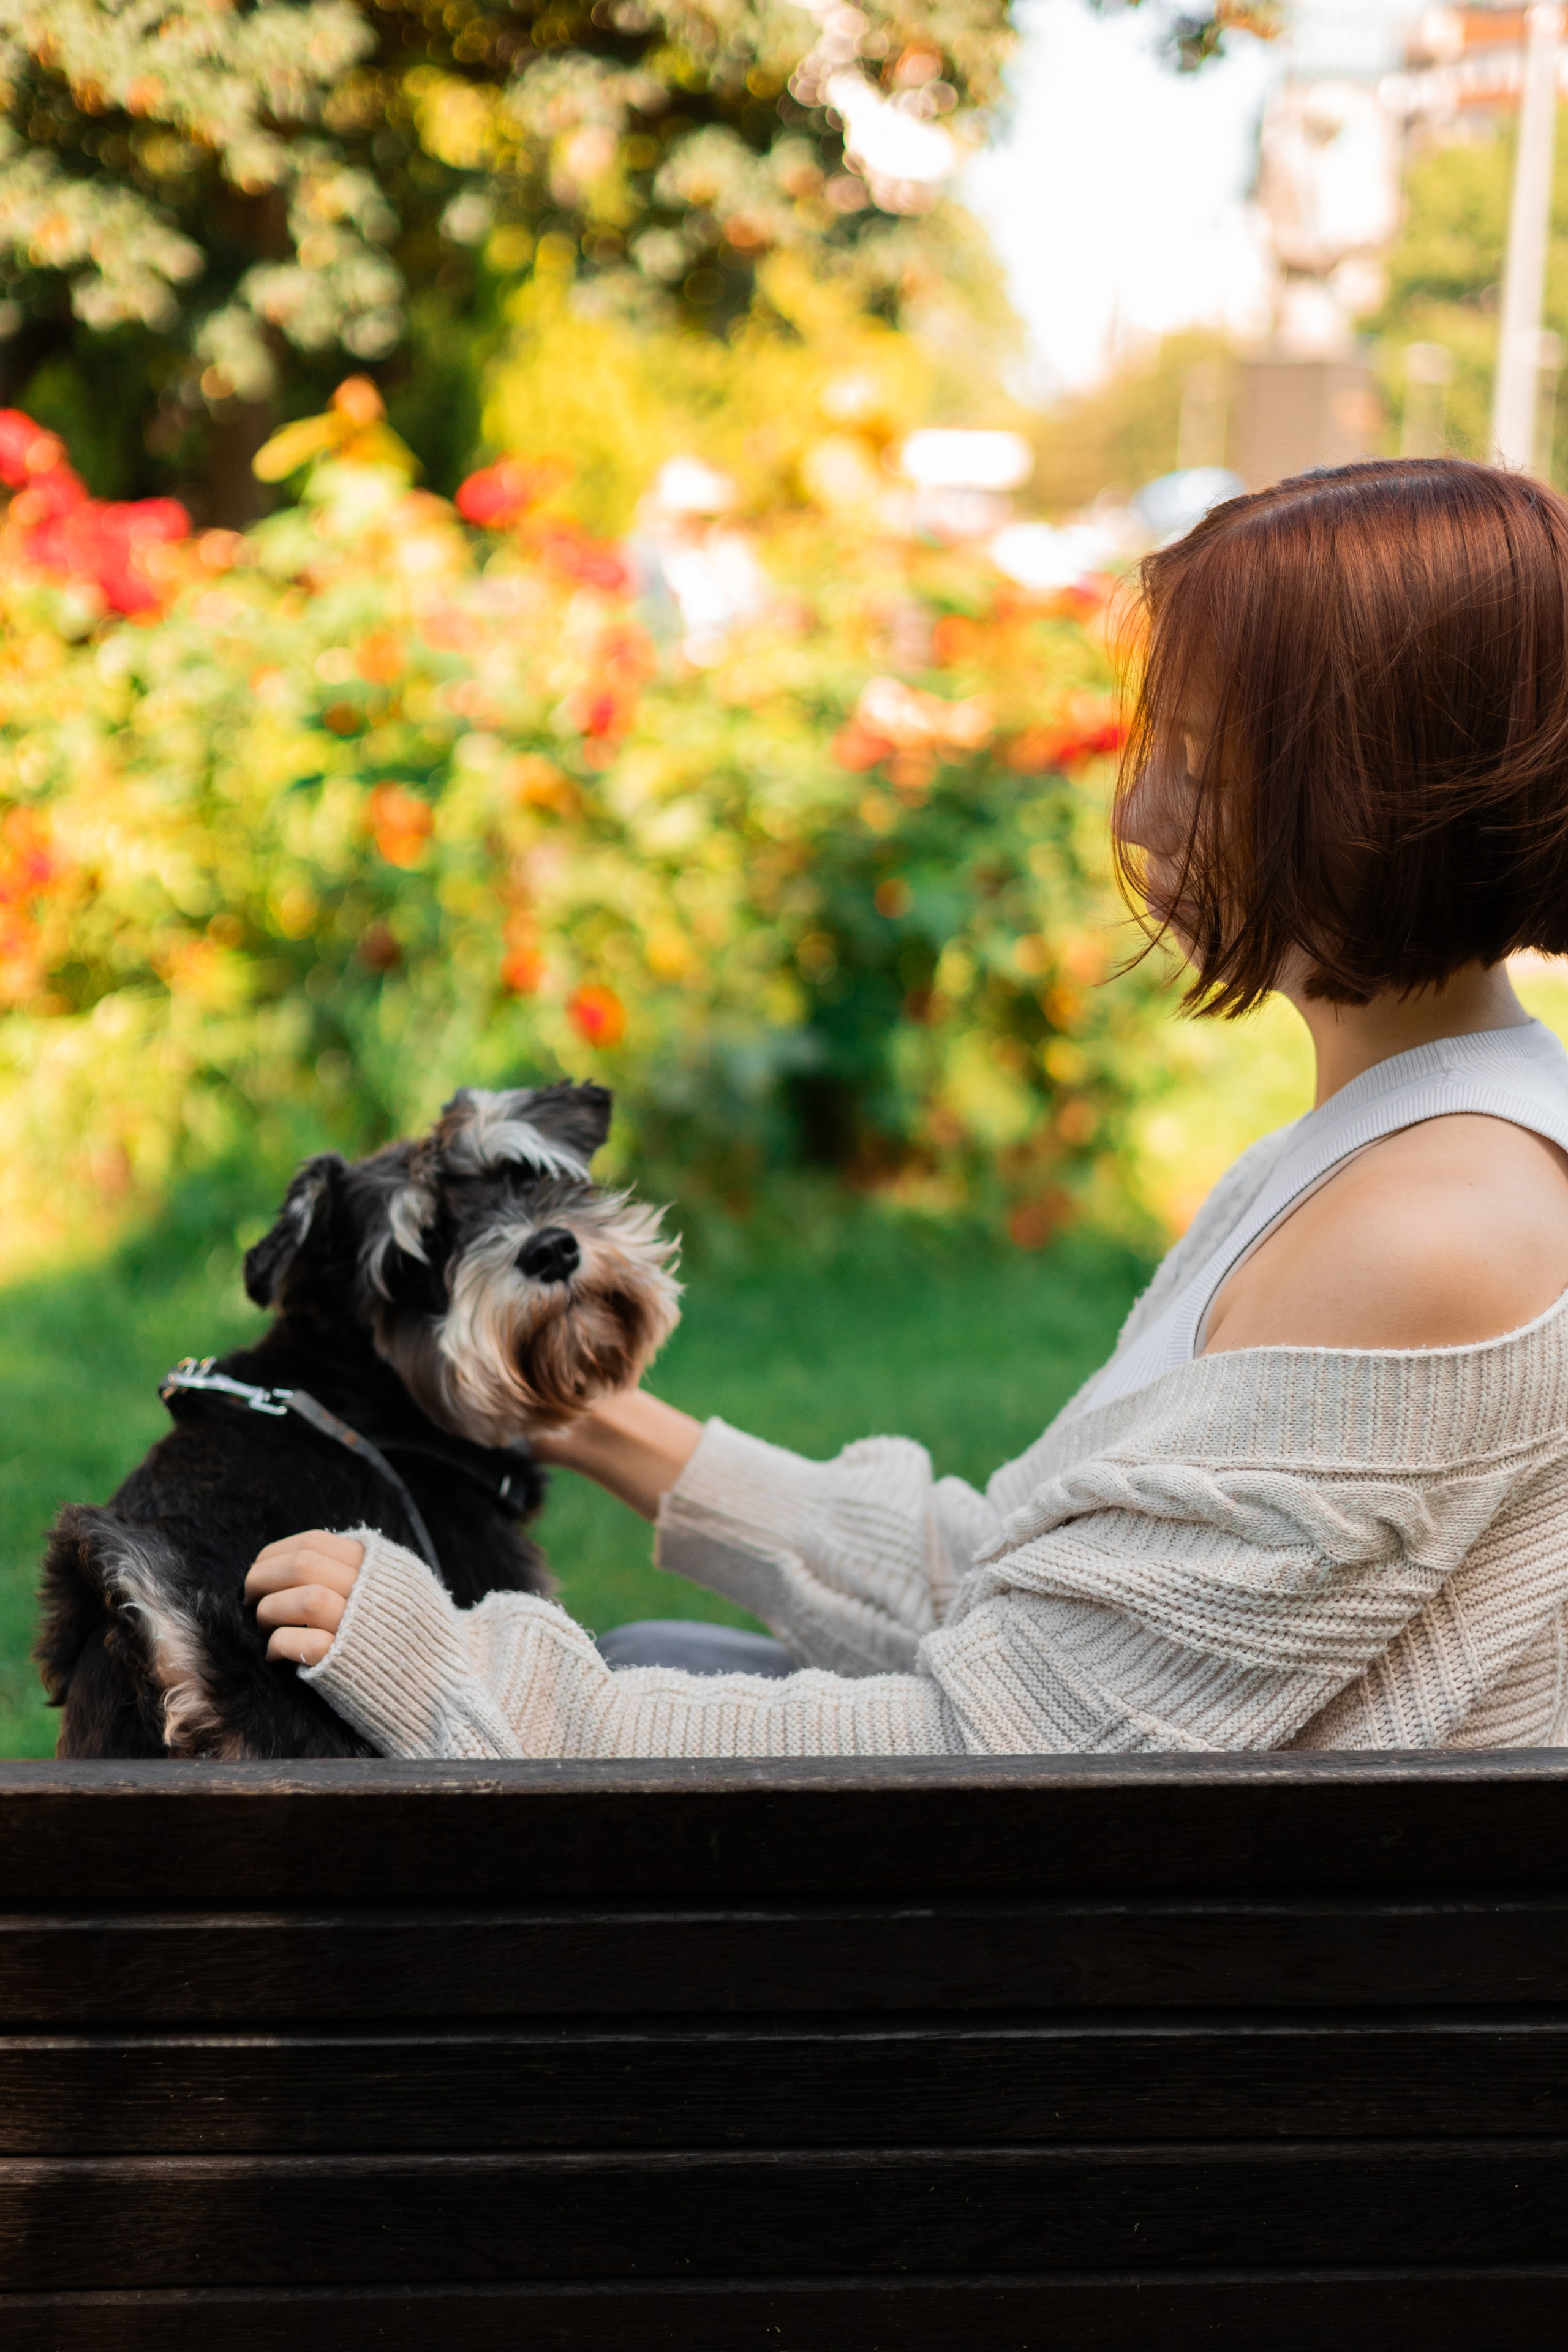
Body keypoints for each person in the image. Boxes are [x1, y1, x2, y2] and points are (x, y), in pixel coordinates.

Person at [245, 457, 1568, 1757]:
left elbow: (1007, 1745)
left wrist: (451, 1673)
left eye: (1207, 767)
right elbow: (1028, 1592)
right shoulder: (1387, 1145)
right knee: (652, 1656)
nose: (1142, 810)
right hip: (1193, 1899)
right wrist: (592, 1420)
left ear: (1392, 806)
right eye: (1148, 746)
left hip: (1190, 1954)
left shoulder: (1421, 1238)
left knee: (575, 1699)